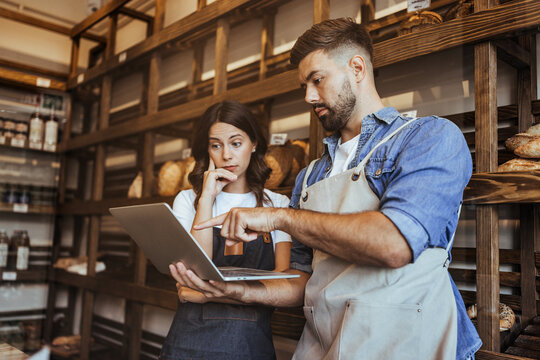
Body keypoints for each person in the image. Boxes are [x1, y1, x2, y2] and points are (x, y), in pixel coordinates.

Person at [170, 18, 482, 360]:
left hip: (408, 346)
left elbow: (395, 244)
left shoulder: (428, 138)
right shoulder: (310, 176)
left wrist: (282, 219)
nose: (308, 96)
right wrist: (237, 291)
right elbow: (300, 282)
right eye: (305, 85)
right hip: (324, 347)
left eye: (317, 80)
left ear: (357, 68)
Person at [159, 100, 292, 360]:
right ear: (206, 150)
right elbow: (193, 272)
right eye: (215, 145)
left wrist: (207, 295)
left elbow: (283, 282)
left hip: (250, 347)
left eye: (236, 143)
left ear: (253, 144)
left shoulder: (277, 205)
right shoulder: (188, 201)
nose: (226, 155)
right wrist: (206, 198)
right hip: (187, 345)